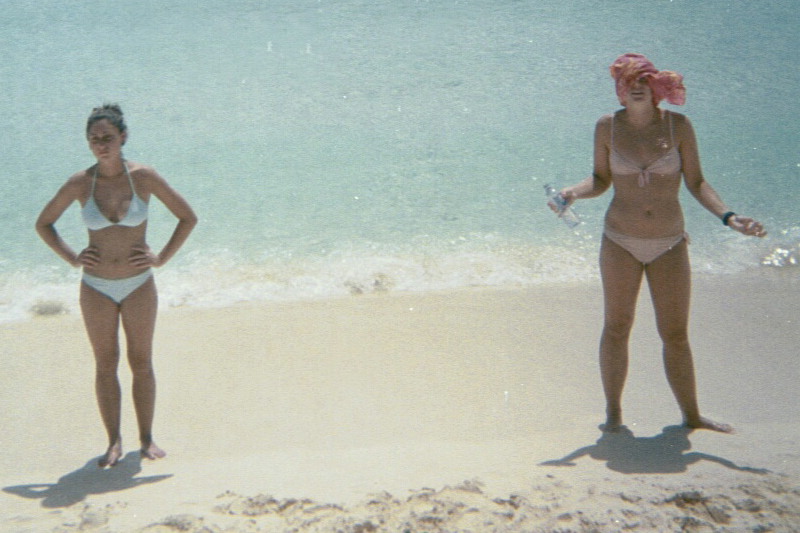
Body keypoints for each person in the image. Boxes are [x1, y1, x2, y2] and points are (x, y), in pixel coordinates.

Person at [554, 53, 765, 433]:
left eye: (644, 81)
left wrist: (730, 218)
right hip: (619, 240)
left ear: (656, 89)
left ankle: (692, 416)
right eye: (628, 81)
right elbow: (600, 180)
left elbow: (697, 182)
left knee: (675, 334)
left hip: (668, 243)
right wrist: (572, 192)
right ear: (619, 90)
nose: (636, 86)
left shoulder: (679, 127)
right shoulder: (607, 128)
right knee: (617, 327)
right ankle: (614, 417)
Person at [36, 104, 197, 467]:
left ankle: (147, 439)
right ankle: (113, 442)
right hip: (96, 287)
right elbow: (43, 223)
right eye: (94, 140)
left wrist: (162, 257)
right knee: (105, 364)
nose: (101, 145)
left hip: (139, 283)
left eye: (108, 138)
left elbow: (188, 217)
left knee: (141, 361)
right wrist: (72, 257)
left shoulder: (144, 178)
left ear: (123, 137)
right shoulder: (80, 183)